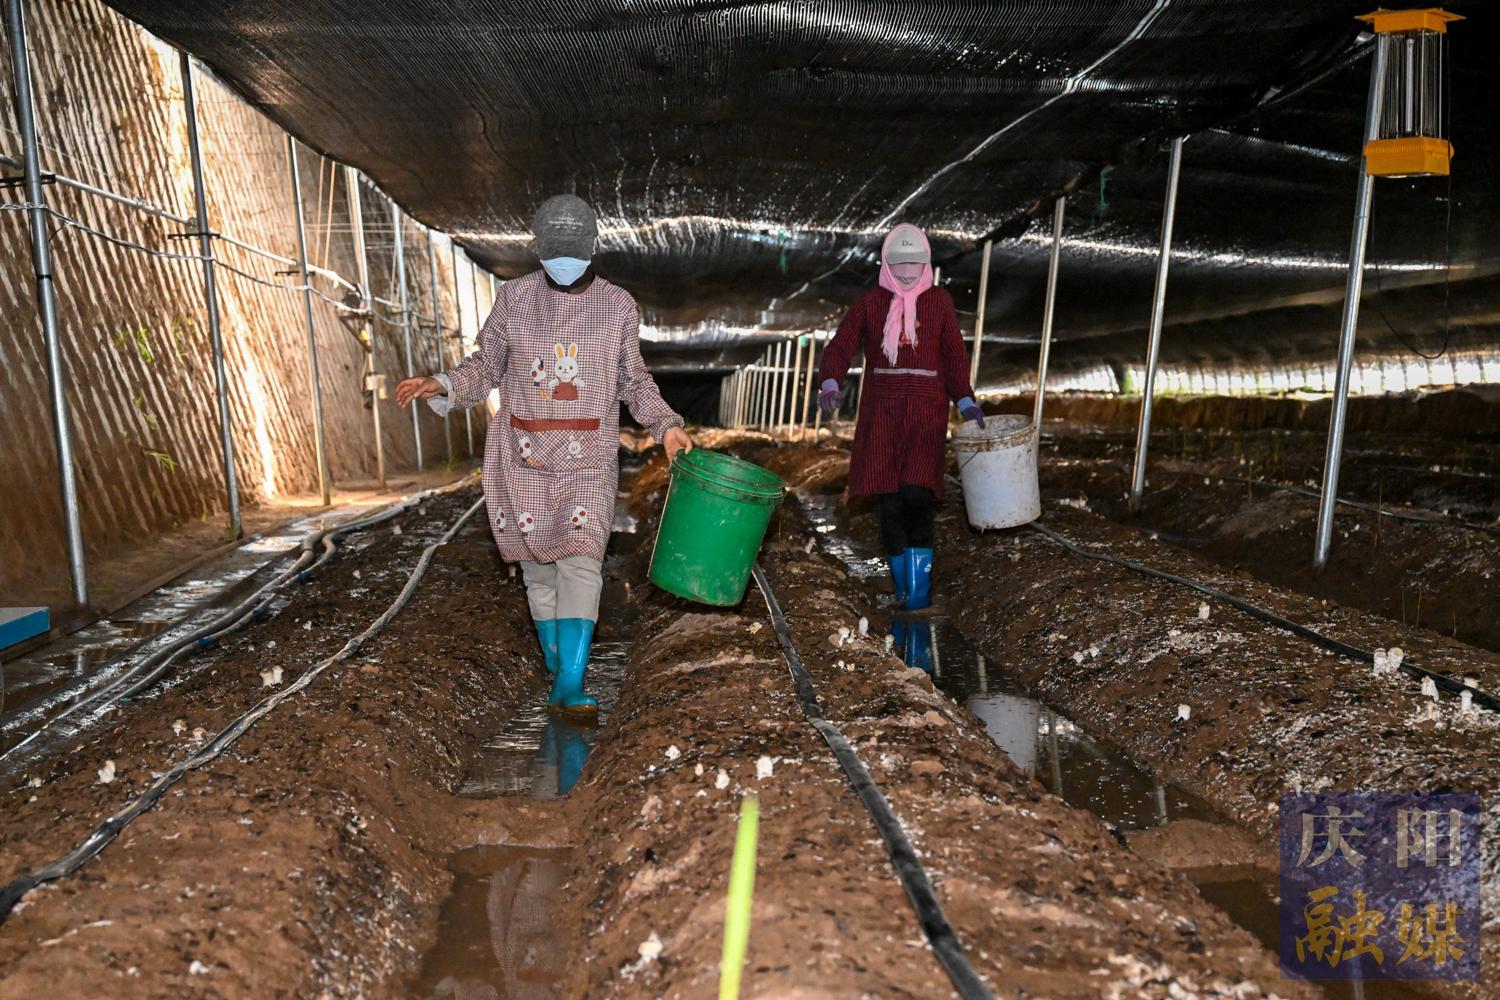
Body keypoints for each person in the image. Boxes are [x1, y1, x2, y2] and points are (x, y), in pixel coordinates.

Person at [397, 195, 691, 714]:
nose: (563, 262)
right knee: (539, 571)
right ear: (537, 250)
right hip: (524, 455)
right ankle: (558, 667)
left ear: (593, 248)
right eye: (554, 253)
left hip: (589, 459)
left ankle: (571, 682)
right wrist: (442, 382)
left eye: (572, 252)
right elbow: (486, 365)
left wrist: (666, 425)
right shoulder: (514, 299)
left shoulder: (617, 305)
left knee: (581, 562)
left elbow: (633, 379)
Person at [817, 223, 984, 610]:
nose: (907, 271)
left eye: (915, 263)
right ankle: (902, 588)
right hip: (882, 415)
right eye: (899, 264)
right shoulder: (870, 302)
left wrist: (964, 399)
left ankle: (919, 592)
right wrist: (830, 380)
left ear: (927, 264)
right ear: (886, 264)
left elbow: (953, 355)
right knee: (889, 500)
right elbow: (841, 345)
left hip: (926, 414)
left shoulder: (939, 302)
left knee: (916, 495)